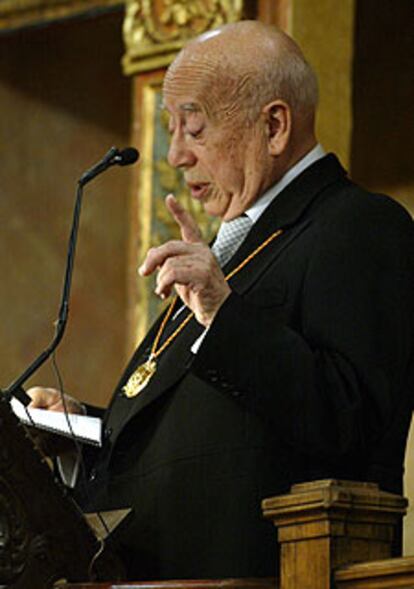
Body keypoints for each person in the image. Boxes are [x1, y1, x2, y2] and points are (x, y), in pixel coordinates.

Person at [28, 20, 414, 581]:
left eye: (194, 128)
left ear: (274, 126)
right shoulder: (228, 249)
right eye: (170, 129)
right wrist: (80, 434)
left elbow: (351, 420)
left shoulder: (359, 226)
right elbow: (207, 435)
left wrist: (221, 312)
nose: (176, 154)